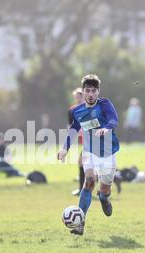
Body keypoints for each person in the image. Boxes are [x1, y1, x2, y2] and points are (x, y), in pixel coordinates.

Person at [58, 74, 120, 236]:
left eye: (93, 90)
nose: (90, 94)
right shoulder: (78, 111)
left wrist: (107, 127)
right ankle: (80, 224)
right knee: (90, 181)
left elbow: (114, 119)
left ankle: (104, 198)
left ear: (98, 92)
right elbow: (73, 129)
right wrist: (65, 149)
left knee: (105, 189)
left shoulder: (104, 104)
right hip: (89, 151)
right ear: (83, 92)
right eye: (87, 90)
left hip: (108, 153)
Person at [68, 88, 85, 196]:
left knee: (82, 162)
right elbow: (70, 126)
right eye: (77, 96)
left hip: (92, 139)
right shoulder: (72, 110)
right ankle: (115, 177)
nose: (79, 98)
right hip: (83, 139)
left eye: (80, 95)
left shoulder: (89, 108)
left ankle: (81, 189)